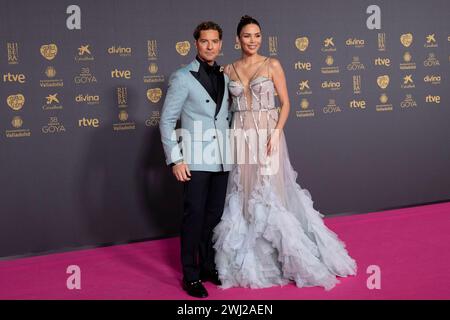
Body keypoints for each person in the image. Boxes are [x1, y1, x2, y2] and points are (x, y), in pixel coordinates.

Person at [212, 15, 357, 290]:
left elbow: (287, 103)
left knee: (270, 192)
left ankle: (282, 259)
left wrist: (276, 132)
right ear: (237, 39)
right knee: (244, 192)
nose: (252, 40)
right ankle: (248, 261)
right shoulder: (227, 70)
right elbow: (224, 109)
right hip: (241, 135)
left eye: (257, 35)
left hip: (268, 134)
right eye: (247, 36)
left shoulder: (272, 64)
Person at [159, 21, 232, 298]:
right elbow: (166, 122)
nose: (210, 46)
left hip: (223, 159)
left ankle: (208, 267)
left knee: (214, 218)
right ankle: (190, 275)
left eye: (215, 41)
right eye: (205, 41)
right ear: (196, 44)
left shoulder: (226, 76)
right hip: (195, 159)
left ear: (221, 44)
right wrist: (175, 160)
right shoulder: (181, 77)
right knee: (194, 218)